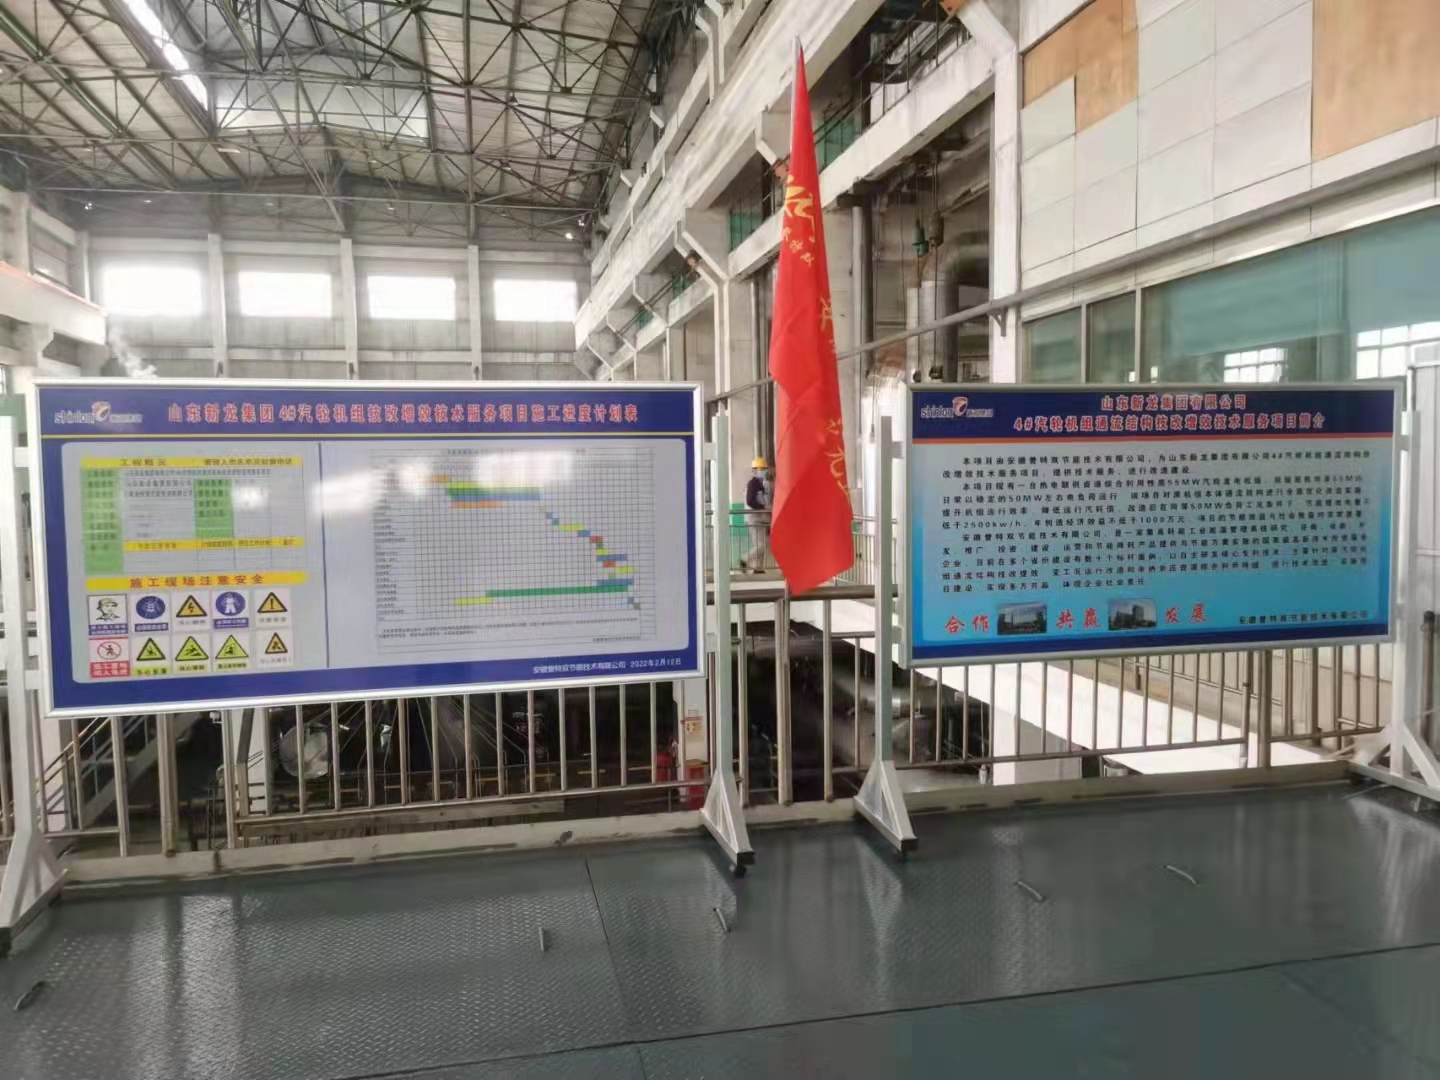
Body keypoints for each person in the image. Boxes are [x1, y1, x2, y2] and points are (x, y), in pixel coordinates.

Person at [742, 457, 771, 571]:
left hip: (761, 519)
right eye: (760, 469)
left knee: (759, 544)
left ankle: (757, 569)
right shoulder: (753, 484)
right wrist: (763, 508)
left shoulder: (761, 484)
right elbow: (750, 501)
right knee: (762, 545)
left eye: (764, 469)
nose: (763, 471)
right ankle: (745, 559)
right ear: (754, 471)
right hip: (755, 519)